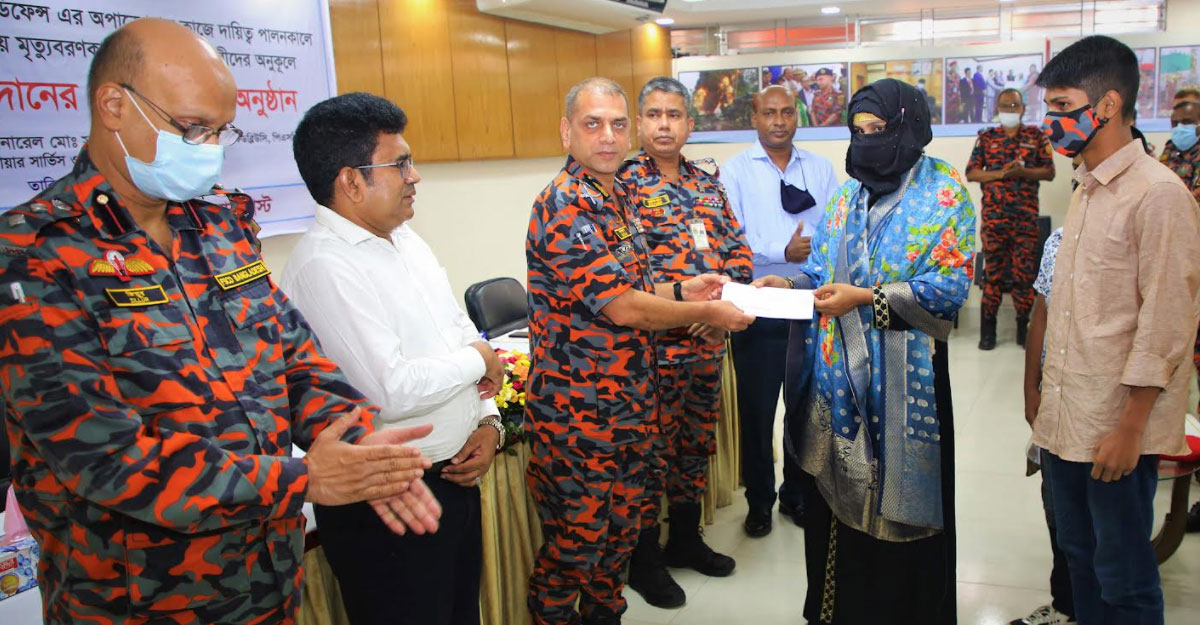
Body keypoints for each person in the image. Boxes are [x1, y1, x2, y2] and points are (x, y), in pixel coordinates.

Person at [0, 19, 438, 624]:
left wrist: (357, 440)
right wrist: (303, 480)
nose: (208, 148)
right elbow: (104, 458)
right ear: (113, 106)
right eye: (191, 128)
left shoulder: (217, 228)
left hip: (266, 582)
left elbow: (294, 357)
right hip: (138, 601)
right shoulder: (35, 252)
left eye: (219, 131)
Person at [524, 76, 754, 625]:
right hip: (580, 417)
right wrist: (707, 313)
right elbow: (624, 308)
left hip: (630, 405)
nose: (608, 136)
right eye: (593, 124)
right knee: (574, 553)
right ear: (567, 132)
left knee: (616, 548)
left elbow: (639, 288)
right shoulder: (565, 204)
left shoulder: (617, 196)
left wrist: (685, 290)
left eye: (617, 124)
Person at [758, 77, 976, 624]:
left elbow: (949, 288)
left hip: (907, 385)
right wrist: (787, 285)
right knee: (834, 507)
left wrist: (865, 299)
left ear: (910, 127)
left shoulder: (943, 192)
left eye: (879, 129)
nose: (867, 141)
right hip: (837, 383)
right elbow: (818, 271)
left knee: (899, 524)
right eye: (858, 131)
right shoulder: (847, 196)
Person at [280, 92, 502, 625]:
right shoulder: (325, 266)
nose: (414, 176)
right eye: (399, 164)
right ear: (351, 181)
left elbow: (457, 332)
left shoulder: (406, 239)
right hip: (387, 504)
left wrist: (488, 420)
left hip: (453, 480)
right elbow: (391, 389)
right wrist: (480, 359)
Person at [1033, 35, 1200, 624]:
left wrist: (1131, 428)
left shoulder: (1158, 195)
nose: (1050, 122)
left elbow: (1167, 324)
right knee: (1079, 558)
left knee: (1123, 576)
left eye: (1061, 106)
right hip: (1068, 421)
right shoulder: (1086, 187)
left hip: (1116, 431)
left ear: (1106, 106)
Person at [617, 77, 754, 608]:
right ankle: (644, 558)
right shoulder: (623, 185)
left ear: (690, 125)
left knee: (694, 447)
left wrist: (721, 312)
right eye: (654, 114)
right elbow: (622, 278)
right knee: (649, 456)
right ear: (639, 123)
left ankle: (685, 539)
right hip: (650, 351)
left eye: (674, 115)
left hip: (706, 345)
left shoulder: (707, 184)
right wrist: (691, 307)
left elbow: (737, 253)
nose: (664, 125)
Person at [719, 84, 840, 538]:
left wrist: (812, 256)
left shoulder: (820, 168)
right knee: (757, 409)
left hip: (810, 302)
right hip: (757, 303)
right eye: (769, 113)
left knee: (804, 408)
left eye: (787, 112)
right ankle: (759, 502)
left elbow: (835, 229)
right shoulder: (735, 172)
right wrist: (779, 250)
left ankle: (796, 494)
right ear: (754, 118)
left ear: (796, 117)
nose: (779, 121)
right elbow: (730, 237)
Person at [1016, 226, 1077, 625]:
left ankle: (1088, 608)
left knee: (1100, 529)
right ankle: (1065, 606)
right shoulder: (1059, 239)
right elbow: (1041, 313)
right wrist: (1030, 388)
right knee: (1057, 510)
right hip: (1054, 401)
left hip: (1100, 407)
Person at [965, 88, 1055, 350]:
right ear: (997, 108)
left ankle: (1022, 328)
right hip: (994, 221)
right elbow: (972, 173)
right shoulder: (987, 137)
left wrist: (1023, 172)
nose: (1010, 110)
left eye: (1014, 105)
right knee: (992, 275)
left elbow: (1049, 172)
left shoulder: (1036, 136)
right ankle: (988, 332)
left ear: (1023, 108)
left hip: (1025, 220)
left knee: (1024, 276)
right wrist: (1000, 174)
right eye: (1005, 106)